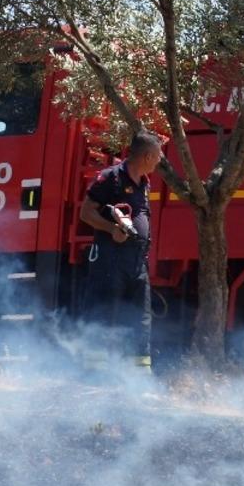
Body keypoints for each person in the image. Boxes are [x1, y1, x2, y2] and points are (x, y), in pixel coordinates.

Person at [80, 131, 164, 370]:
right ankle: (93, 374)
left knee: (142, 320)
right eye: (158, 155)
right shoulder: (111, 178)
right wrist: (111, 229)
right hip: (110, 261)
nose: (160, 160)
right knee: (103, 316)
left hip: (137, 263)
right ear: (147, 156)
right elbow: (86, 213)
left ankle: (139, 377)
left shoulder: (145, 183)